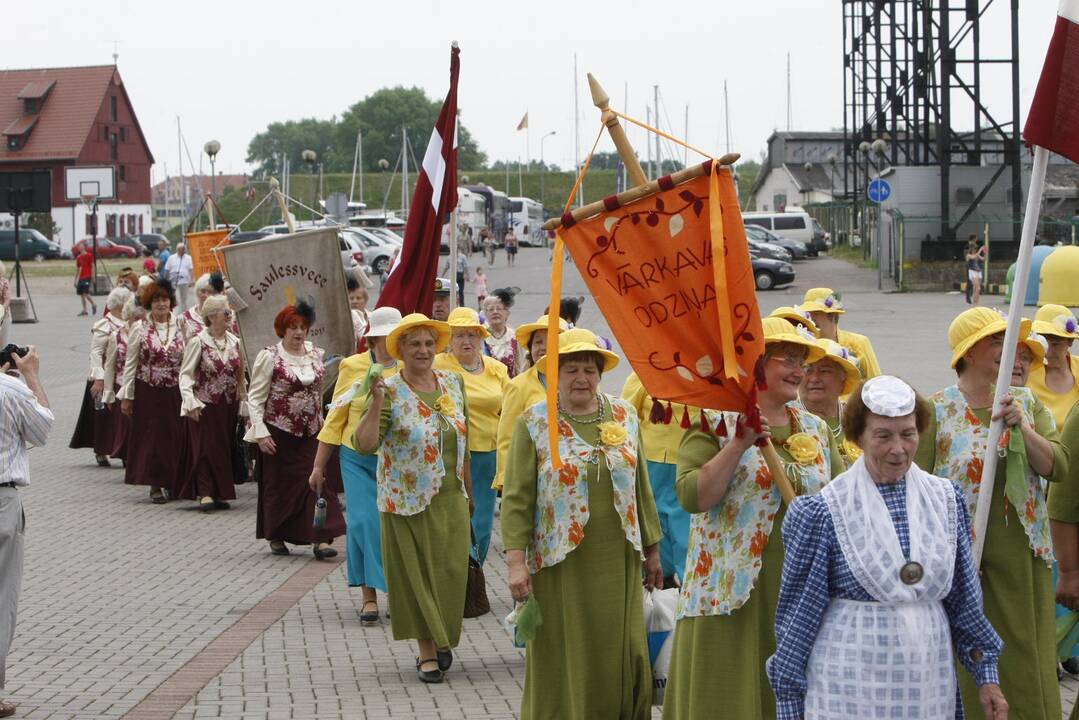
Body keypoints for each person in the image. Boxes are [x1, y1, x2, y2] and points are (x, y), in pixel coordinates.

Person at [768, 376, 1008, 720]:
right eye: (883, 435)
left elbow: (964, 602)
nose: (898, 448)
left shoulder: (945, 500)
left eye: (908, 434)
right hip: (849, 684)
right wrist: (789, 702)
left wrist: (987, 679)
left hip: (928, 681)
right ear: (859, 437)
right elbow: (799, 618)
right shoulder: (824, 512)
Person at [662, 318, 843, 720]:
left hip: (799, 588)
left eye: (802, 361)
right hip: (730, 589)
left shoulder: (815, 427)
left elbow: (842, 497)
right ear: (755, 362)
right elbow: (693, 495)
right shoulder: (713, 419)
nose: (800, 370)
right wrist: (738, 444)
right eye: (788, 359)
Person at [502, 327, 663, 718]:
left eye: (589, 369)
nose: (580, 378)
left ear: (599, 374)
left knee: (618, 645)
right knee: (567, 647)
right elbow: (518, 497)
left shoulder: (623, 414)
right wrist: (515, 561)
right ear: (554, 375)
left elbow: (641, 485)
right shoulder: (534, 422)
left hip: (618, 557)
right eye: (570, 368)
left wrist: (653, 550)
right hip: (561, 562)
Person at [915, 306, 1067, 718]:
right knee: (975, 653)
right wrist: (945, 552)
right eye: (998, 342)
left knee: (1024, 650)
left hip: (1022, 553)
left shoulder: (1026, 403)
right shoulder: (936, 411)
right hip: (967, 559)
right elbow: (919, 490)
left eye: (1015, 345)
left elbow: (1058, 467)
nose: (1013, 353)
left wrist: (1023, 428)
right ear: (968, 352)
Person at [353, 313, 473, 684]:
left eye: (428, 344)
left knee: (451, 576)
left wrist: (468, 491)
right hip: (405, 502)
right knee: (417, 578)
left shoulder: (453, 383)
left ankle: (441, 636)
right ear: (400, 350)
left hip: (451, 499)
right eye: (414, 344)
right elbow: (365, 444)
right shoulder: (388, 388)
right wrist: (374, 402)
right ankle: (427, 652)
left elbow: (465, 441)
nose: (422, 350)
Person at [312, 307, 401, 625]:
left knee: (392, 529)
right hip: (355, 458)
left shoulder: (408, 369)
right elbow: (335, 418)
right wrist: (319, 465)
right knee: (364, 524)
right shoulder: (353, 366)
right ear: (373, 338)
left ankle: (394, 594)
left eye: (396, 335)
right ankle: (368, 596)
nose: (391, 341)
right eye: (386, 335)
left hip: (396, 461)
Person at [246, 301, 344, 558]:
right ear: (282, 330)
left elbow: (318, 393)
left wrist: (324, 424)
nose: (298, 332)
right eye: (293, 328)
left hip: (311, 431)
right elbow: (255, 398)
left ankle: (321, 538)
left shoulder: (314, 354)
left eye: (302, 327)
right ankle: (277, 534)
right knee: (280, 488)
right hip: (279, 432)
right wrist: (260, 432)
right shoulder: (269, 357)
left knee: (317, 480)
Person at [0, 346, 53, 719]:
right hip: (2, 499)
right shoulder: (10, 388)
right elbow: (43, 428)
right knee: (2, 599)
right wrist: (31, 375)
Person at [435, 307, 509, 565]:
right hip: (449, 455)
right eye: (459, 335)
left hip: (488, 454)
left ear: (481, 338)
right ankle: (454, 575)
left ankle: (473, 573)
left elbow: (510, 409)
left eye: (472, 335)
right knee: (453, 518)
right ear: (449, 340)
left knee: (482, 521)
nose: (466, 341)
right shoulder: (438, 365)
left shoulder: (497, 369)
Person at [118, 278, 188, 504]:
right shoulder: (140, 328)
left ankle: (173, 482)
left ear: (171, 302)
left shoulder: (181, 325)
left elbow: (189, 359)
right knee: (153, 438)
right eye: (157, 300)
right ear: (150, 303)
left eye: (165, 299)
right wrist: (127, 396)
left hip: (175, 390)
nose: (161, 304)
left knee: (175, 436)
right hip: (148, 390)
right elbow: (131, 364)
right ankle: (155, 484)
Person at [621, 371, 693, 586]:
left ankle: (688, 588)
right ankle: (660, 585)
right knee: (653, 524)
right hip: (651, 463)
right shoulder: (645, 371)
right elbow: (627, 415)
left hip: (692, 463)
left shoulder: (708, 370)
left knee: (687, 533)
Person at [178, 295, 246, 512]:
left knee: (224, 447)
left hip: (228, 405)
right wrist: (190, 401)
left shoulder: (235, 342)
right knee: (205, 448)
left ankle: (221, 491)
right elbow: (186, 375)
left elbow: (241, 377)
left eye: (229, 313)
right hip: (205, 405)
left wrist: (244, 402)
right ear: (211, 317)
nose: (229, 316)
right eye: (225, 312)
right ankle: (205, 491)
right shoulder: (198, 342)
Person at [492, 314, 568, 490]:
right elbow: (506, 437)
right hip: (532, 473)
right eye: (538, 342)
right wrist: (506, 478)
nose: (543, 347)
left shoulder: (578, 381)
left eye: (550, 341)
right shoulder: (518, 386)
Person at [69, 286, 131, 467]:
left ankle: (125, 451)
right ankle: (101, 450)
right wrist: (99, 379)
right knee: (103, 418)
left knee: (122, 417)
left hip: (123, 376)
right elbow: (95, 353)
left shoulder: (129, 323)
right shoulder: (105, 324)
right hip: (104, 377)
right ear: (120, 305)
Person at [799, 338, 863, 466]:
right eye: (808, 370)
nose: (814, 378)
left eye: (824, 371)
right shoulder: (788, 418)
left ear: (843, 377)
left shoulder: (858, 418)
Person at [799, 287, 881, 380]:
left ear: (832, 315)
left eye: (817, 313)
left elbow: (876, 382)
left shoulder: (859, 343)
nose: (811, 318)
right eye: (808, 313)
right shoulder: (802, 346)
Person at [102, 293, 145, 463]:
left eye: (142, 318)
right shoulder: (116, 336)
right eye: (136, 318)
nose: (139, 322)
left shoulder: (145, 335)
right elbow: (109, 366)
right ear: (129, 317)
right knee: (126, 426)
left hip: (141, 385)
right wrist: (108, 393)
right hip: (122, 387)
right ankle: (128, 457)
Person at [1027, 303, 1079, 429]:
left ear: (1070, 342)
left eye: (1056, 344)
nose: (1048, 351)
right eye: (1043, 342)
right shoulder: (1024, 372)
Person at [482, 288, 524, 378]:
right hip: (486, 388)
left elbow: (520, 367)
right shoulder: (480, 336)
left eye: (499, 308)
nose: (495, 312)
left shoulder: (514, 337)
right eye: (491, 309)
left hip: (510, 388)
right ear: (485, 314)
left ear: (507, 313)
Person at [178, 272, 220, 340]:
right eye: (203, 291)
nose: (206, 295)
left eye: (210, 292)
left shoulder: (224, 316)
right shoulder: (184, 318)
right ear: (197, 292)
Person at [163, 243, 194, 310]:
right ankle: (174, 312)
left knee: (183, 299)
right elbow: (167, 269)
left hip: (184, 281)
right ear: (177, 250)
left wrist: (191, 280)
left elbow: (191, 270)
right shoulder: (171, 258)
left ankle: (183, 313)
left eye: (184, 249)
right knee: (174, 298)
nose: (183, 251)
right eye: (181, 249)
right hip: (173, 281)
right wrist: (166, 281)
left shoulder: (189, 258)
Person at [347, 277, 370, 353]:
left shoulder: (371, 315)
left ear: (365, 300)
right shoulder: (348, 317)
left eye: (358, 298)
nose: (354, 301)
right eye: (351, 298)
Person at [74, 246, 97, 316]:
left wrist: (93, 276)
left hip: (87, 276)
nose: (80, 249)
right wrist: (75, 280)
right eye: (79, 248)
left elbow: (93, 266)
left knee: (85, 293)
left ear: (84, 248)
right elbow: (78, 269)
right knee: (81, 294)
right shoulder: (78, 257)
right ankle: (85, 310)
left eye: (81, 247)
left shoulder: (89, 255)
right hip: (81, 277)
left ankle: (94, 304)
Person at [965, 236, 987, 305]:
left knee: (977, 289)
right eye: (974, 248)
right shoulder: (968, 255)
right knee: (977, 288)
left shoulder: (976, 254)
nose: (975, 249)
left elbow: (984, 259)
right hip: (972, 271)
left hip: (978, 271)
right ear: (971, 249)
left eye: (975, 248)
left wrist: (985, 252)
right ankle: (974, 303)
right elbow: (974, 257)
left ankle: (976, 303)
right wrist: (980, 250)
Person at [0, 261, 9, 348]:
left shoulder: (4, 282)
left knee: (2, 343)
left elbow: (7, 299)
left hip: (3, 316)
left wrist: (1, 310)